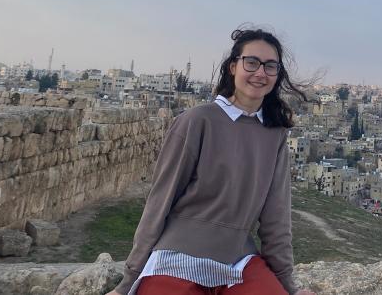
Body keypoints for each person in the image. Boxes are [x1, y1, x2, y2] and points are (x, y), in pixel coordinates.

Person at [108, 27, 315, 295]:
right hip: (177, 257)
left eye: (270, 66)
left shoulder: (274, 135)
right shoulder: (197, 121)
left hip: (238, 262)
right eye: (251, 63)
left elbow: (276, 220)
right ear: (233, 67)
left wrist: (289, 288)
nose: (260, 72)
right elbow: (160, 202)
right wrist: (128, 281)